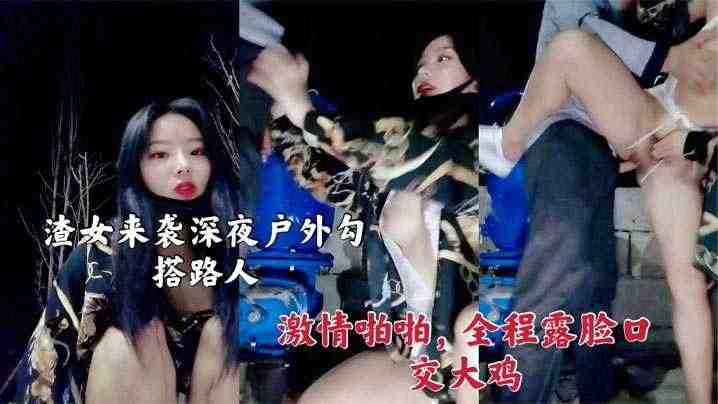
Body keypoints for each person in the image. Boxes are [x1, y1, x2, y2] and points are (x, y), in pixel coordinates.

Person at [479, 1, 717, 402]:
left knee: (686, 287)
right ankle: (507, 145)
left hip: (678, 153)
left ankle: (694, 398)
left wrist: (699, 144)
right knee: (569, 47)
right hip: (648, 121)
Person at [249, 29, 479, 404]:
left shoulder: (474, 142)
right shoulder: (390, 171)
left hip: (475, 353)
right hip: (422, 357)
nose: (423, 71)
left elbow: (413, 159)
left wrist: (303, 111)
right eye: (420, 65)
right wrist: (283, 115)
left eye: (443, 58)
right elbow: (329, 180)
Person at [12, 98, 249, 404]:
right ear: (136, 166)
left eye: (197, 151)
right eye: (160, 154)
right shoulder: (101, 254)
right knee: (132, 342)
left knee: (227, 335)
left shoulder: (235, 251)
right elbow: (41, 372)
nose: (183, 165)